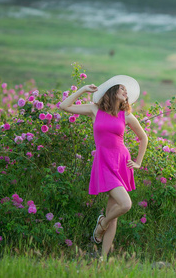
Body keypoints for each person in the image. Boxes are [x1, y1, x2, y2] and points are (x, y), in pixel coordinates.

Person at [59, 75, 148, 261]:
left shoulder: (127, 116)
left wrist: (138, 162)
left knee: (115, 212)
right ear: (112, 91)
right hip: (104, 161)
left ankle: (102, 257)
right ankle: (102, 224)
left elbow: (143, 138)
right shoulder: (94, 110)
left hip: (121, 163)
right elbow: (64, 106)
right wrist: (83, 89)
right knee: (125, 204)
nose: (125, 92)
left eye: (126, 91)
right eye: (122, 88)